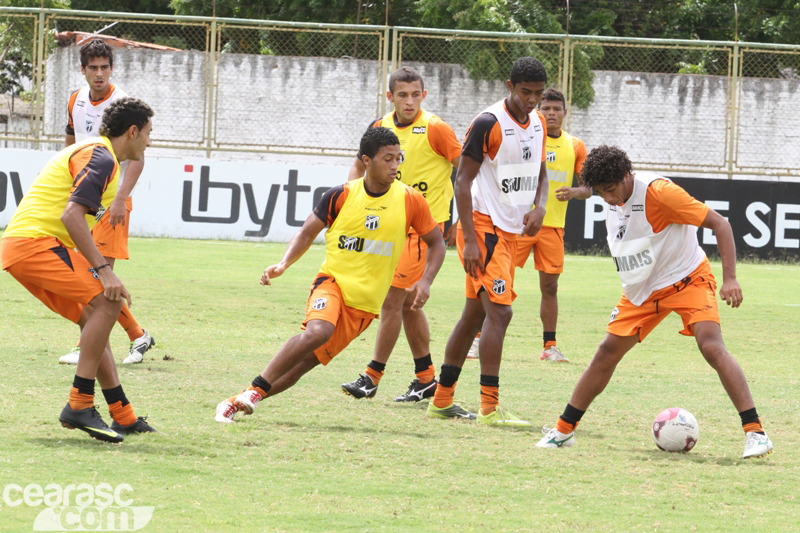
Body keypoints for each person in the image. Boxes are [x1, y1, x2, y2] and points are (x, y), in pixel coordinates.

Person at [536, 146, 774, 459]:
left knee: (711, 345)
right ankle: (563, 431)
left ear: (625, 176)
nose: (606, 198)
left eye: (609, 190)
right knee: (606, 352)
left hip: (688, 278)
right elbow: (595, 196)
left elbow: (721, 224)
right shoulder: (610, 192)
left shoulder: (661, 194)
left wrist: (730, 278)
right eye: (600, 193)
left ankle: (755, 432)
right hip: (643, 291)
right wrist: (585, 191)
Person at [214, 127, 445, 423]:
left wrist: (425, 281)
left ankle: (241, 398)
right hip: (332, 283)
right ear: (366, 161)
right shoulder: (341, 195)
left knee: (303, 365)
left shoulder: (410, 199)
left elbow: (437, 243)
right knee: (317, 332)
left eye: (398, 159)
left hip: (364, 305)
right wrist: (284, 264)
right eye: (387, 159)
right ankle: (254, 391)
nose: (395, 166)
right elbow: (307, 232)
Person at [1, 97, 156, 443]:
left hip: (26, 245)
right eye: (147, 132)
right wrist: (103, 270)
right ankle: (79, 403)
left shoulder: (100, 155)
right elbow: (71, 215)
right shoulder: (100, 156)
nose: (150, 140)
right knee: (108, 302)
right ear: (132, 132)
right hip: (34, 243)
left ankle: (123, 415)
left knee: (94, 316)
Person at [426, 57, 549, 426]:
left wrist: (540, 206)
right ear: (510, 86)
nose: (531, 100)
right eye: (525, 92)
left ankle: (442, 399)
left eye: (538, 94)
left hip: (510, 230)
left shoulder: (539, 122)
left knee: (472, 316)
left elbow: (541, 170)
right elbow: (461, 181)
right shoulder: (488, 123)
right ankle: (490, 408)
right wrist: (470, 241)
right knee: (501, 312)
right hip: (482, 228)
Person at [340, 66, 461, 403]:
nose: (410, 101)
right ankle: (426, 379)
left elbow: (466, 170)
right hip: (391, 227)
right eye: (402, 95)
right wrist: (350, 199)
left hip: (423, 231)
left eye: (416, 94)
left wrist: (462, 217)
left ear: (424, 95)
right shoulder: (380, 127)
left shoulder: (436, 129)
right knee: (408, 306)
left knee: (393, 300)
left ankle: (372, 376)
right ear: (390, 97)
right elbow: (358, 166)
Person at [59, 38, 155, 366]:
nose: (99, 74)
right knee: (93, 274)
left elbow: (138, 157)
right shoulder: (75, 100)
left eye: (105, 67)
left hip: (111, 202)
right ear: (83, 70)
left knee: (98, 275)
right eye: (93, 68)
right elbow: (70, 147)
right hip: (86, 199)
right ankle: (138, 335)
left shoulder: (124, 102)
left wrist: (120, 200)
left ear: (111, 69)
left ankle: (89, 342)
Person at [511, 88, 590, 362]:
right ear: (537, 111)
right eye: (546, 109)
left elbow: (590, 187)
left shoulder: (575, 145)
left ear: (565, 113)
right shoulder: (526, 138)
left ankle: (549, 346)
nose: (551, 114)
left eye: (557, 109)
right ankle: (478, 339)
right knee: (498, 279)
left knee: (550, 287)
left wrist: (576, 191)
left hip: (553, 226)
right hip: (520, 224)